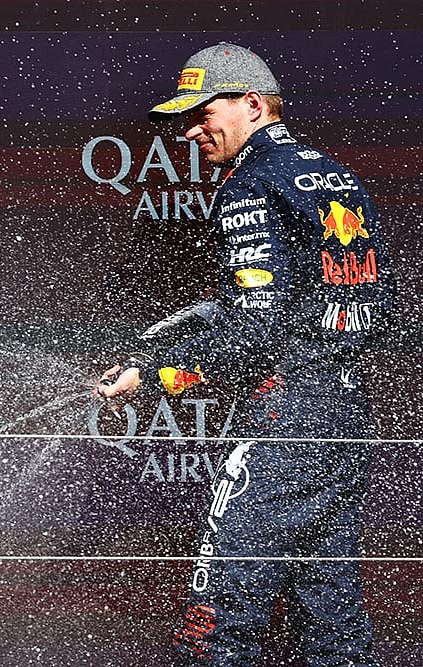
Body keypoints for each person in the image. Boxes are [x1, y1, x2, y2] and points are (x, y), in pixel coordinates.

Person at [96, 43, 394, 666]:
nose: (190, 130)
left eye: (203, 112)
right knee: (330, 604)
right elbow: (355, 300)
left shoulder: (249, 183)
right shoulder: (335, 174)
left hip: (288, 416)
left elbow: (258, 326)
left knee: (224, 595)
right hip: (344, 411)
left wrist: (154, 375)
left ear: (252, 104)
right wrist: (206, 319)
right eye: (186, 118)